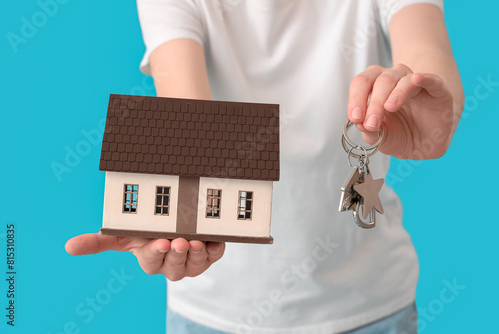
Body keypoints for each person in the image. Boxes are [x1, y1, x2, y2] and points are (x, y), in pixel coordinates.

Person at [65, 0, 464, 333]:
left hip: (373, 305)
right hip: (214, 312)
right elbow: (191, 122)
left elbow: (426, 56)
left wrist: (426, 101)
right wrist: (175, 223)